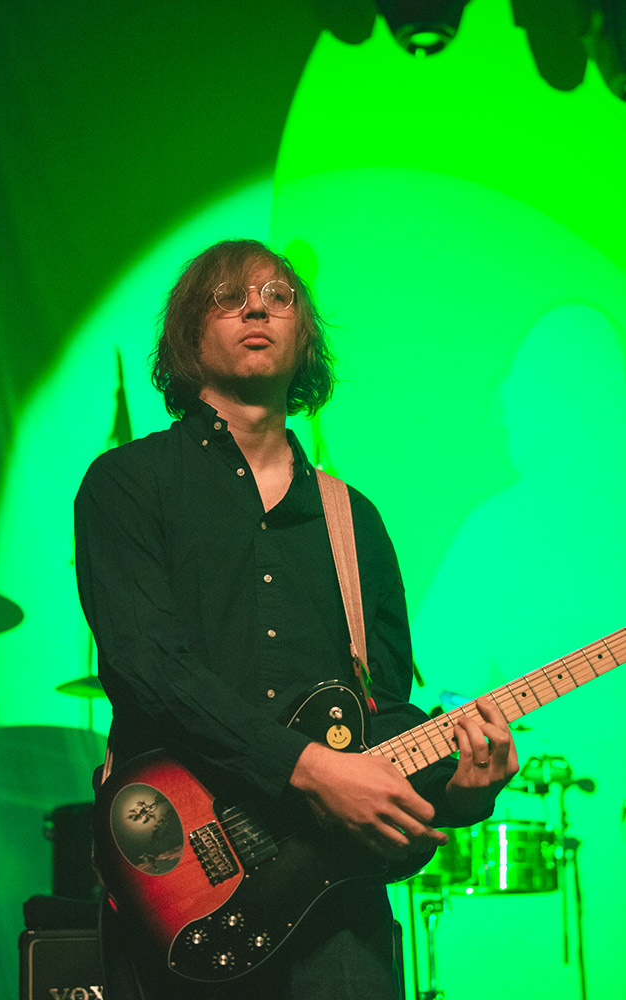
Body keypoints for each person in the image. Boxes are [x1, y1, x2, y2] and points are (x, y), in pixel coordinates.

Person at [74, 238, 518, 1000]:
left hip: (337, 909)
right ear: (188, 334)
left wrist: (464, 790)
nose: (257, 307)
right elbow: (149, 666)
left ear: (305, 338)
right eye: (228, 297)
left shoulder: (355, 519)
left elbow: (384, 719)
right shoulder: (128, 484)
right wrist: (307, 770)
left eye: (280, 297)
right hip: (186, 882)